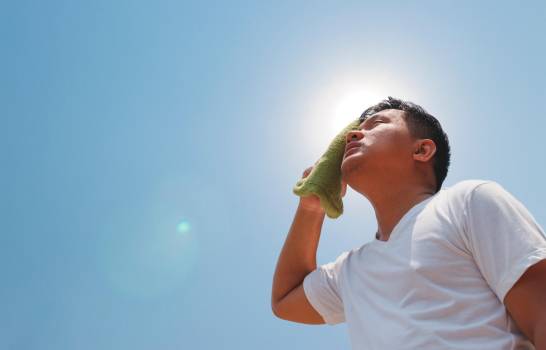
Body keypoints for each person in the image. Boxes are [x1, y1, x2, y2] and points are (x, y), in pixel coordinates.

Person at [271, 97, 546, 349]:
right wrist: (311, 206)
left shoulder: (468, 202)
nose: (354, 135)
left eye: (376, 124)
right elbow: (285, 300)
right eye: (353, 133)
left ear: (422, 150)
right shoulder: (351, 271)